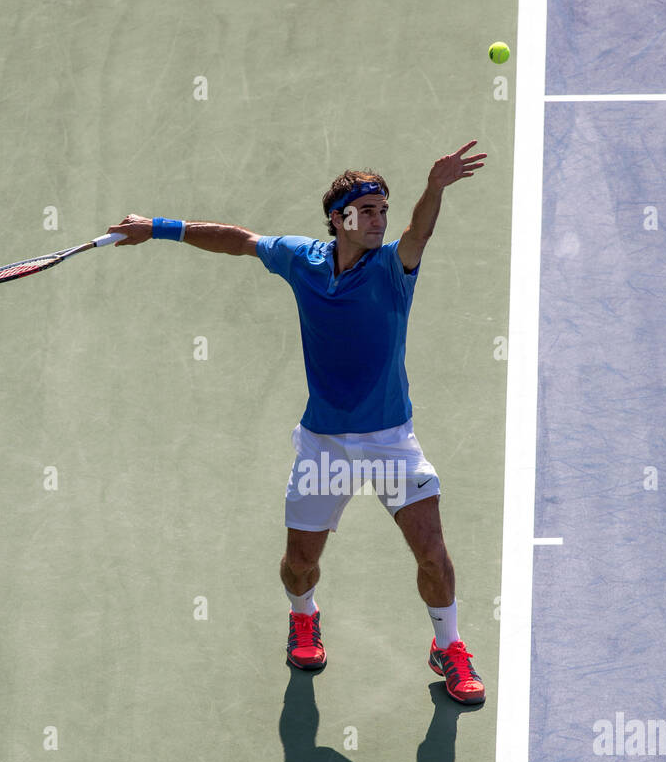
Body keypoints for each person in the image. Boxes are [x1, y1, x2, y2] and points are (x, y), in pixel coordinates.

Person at [109, 140, 487, 703]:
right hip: (323, 446)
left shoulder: (392, 267)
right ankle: (304, 617)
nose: (381, 221)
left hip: (391, 443)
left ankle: (449, 647)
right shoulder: (302, 259)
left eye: (386, 209)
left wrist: (434, 189)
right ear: (340, 220)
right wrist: (158, 227)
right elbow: (239, 241)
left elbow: (420, 235)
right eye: (370, 210)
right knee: (299, 565)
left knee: (433, 553)